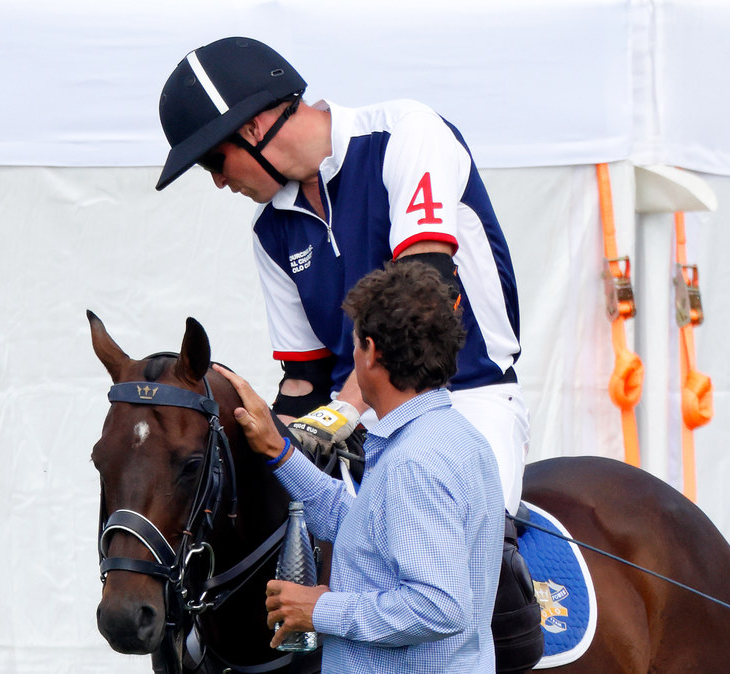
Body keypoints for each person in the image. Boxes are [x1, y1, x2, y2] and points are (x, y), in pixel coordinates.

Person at [157, 37, 543, 669]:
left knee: (486, 570)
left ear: (255, 125)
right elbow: (303, 378)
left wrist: (338, 416)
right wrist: (270, 434)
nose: (221, 183)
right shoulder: (270, 234)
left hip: (465, 399)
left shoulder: (408, 135)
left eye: (216, 162)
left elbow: (423, 295)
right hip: (360, 418)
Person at [215, 263, 503, 673]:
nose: (353, 357)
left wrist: (321, 608)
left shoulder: (413, 461)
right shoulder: (455, 438)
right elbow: (364, 532)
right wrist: (279, 450)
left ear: (371, 352)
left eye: (354, 346)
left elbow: (440, 606)